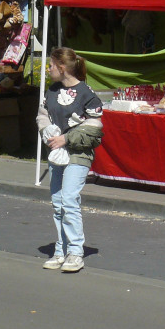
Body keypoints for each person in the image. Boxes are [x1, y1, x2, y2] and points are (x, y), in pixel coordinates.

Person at [36, 47, 104, 273]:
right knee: (57, 203)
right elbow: (42, 115)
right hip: (56, 153)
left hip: (78, 153)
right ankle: (61, 250)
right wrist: (46, 131)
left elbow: (95, 128)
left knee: (69, 199)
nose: (49, 69)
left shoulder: (86, 94)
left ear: (62, 68)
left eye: (52, 65)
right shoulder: (52, 91)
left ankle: (76, 252)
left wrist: (66, 138)